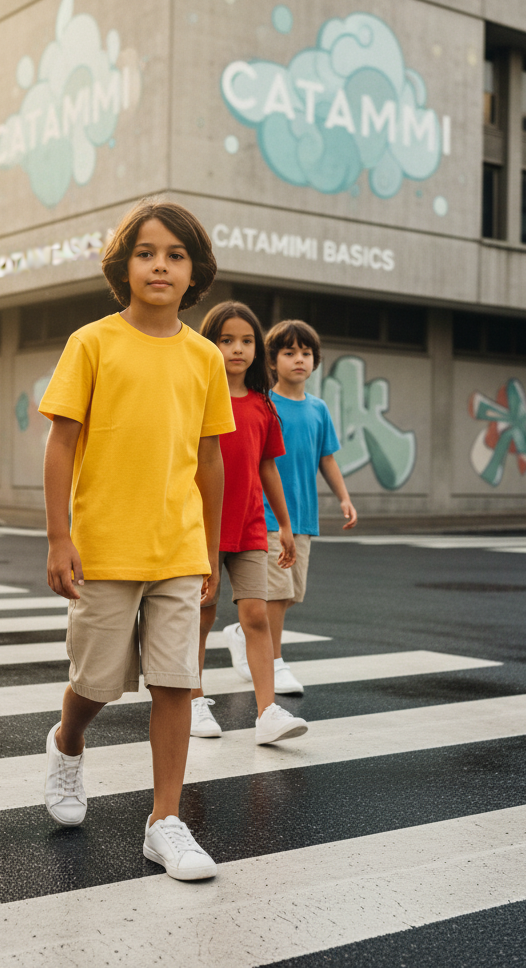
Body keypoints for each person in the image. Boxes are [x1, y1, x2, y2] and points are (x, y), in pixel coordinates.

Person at [38, 198, 234, 881]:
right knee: (94, 682)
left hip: (178, 546)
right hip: (103, 548)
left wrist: (209, 551)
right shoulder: (92, 343)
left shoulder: (206, 357)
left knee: (176, 682)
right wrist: (59, 537)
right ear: (124, 265)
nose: (160, 265)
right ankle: (67, 744)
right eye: (147, 252)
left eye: (175, 255)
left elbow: (211, 460)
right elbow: (61, 442)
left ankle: (165, 821)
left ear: (194, 272)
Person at [192, 301, 307, 745]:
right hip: (202, 526)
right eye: (226, 340)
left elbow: (267, 467)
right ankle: (193, 701)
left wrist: (284, 524)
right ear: (210, 344)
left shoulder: (263, 404)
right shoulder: (199, 397)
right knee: (200, 617)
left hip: (250, 526)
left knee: (256, 614)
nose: (237, 349)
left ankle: (267, 712)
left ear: (257, 348)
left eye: (246, 341)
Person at [224, 319, 357, 695]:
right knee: (277, 594)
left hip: (303, 516)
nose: (299, 359)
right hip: (264, 514)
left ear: (315, 360)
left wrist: (344, 497)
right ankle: (276, 662)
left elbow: (326, 459)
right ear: (271, 360)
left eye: (306, 353)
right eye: (289, 352)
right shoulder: (266, 403)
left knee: (290, 594)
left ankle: (240, 631)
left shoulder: (318, 409)